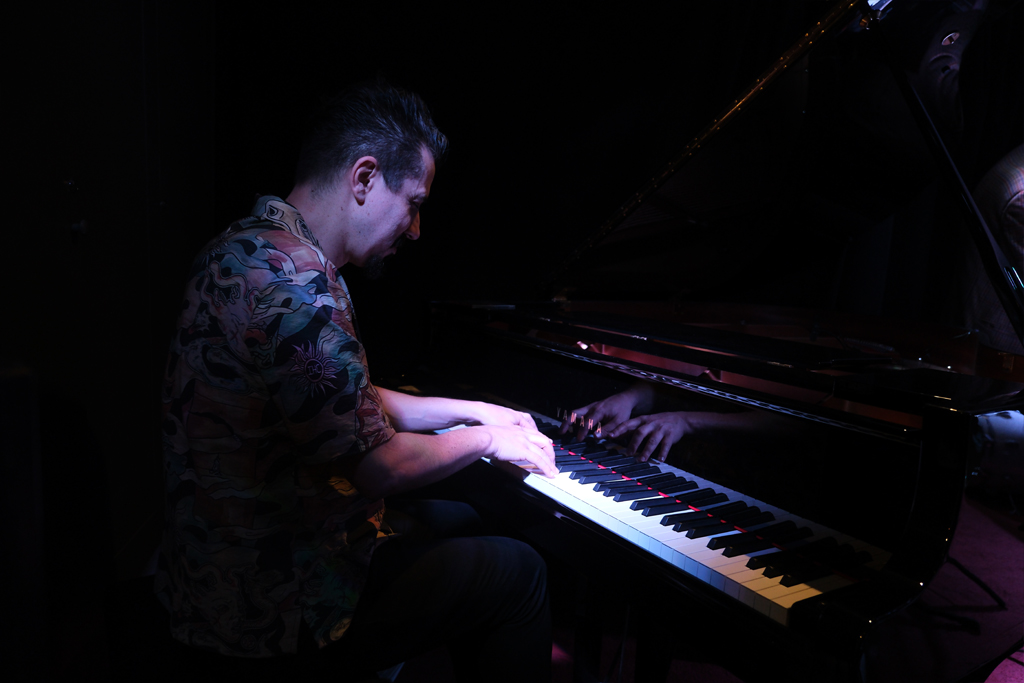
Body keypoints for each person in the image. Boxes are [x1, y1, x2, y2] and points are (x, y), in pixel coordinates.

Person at [155, 81, 558, 682]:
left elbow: (335, 396)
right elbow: (380, 469)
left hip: (206, 579)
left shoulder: (241, 249)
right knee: (520, 572)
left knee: (464, 520)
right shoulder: (300, 286)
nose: (416, 229)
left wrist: (475, 409)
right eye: (413, 202)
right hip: (274, 609)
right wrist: (488, 440)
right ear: (365, 178)